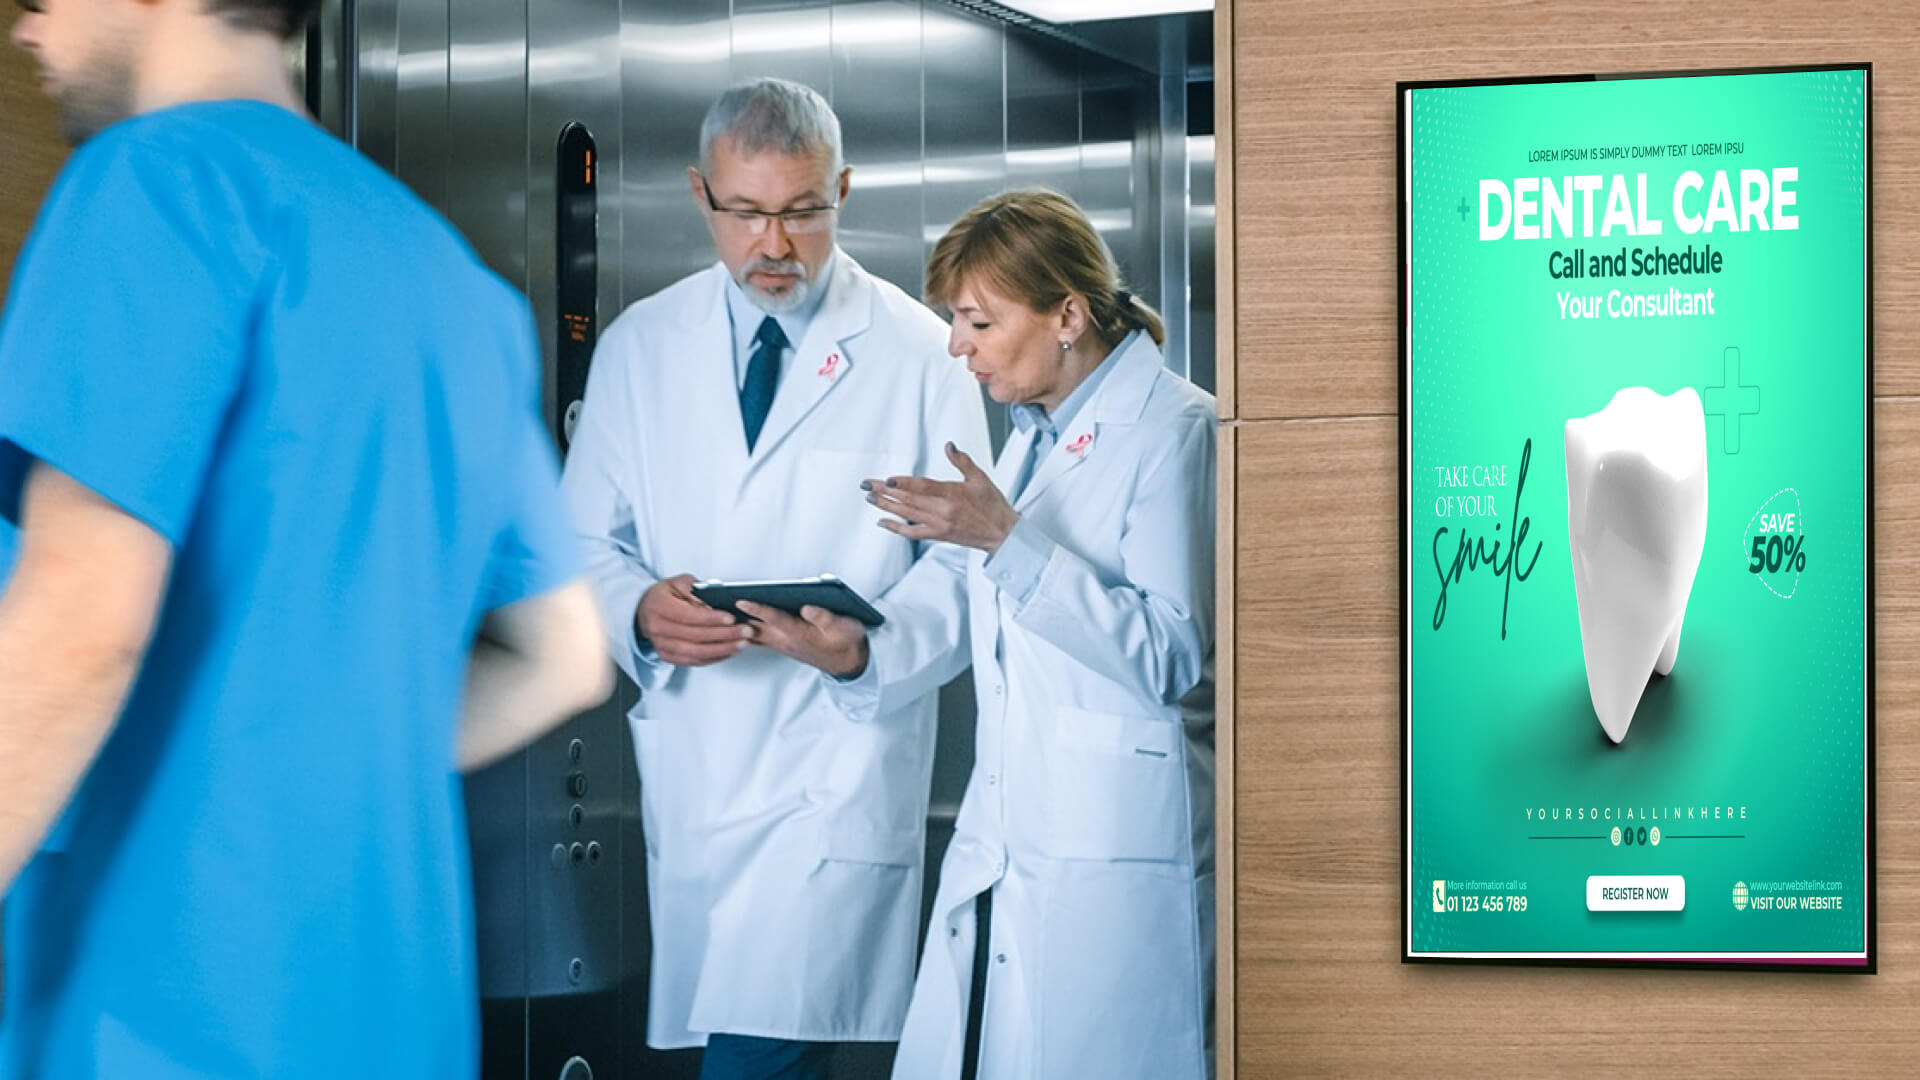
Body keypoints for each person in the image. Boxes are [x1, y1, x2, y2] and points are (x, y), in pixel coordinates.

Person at [0, 0, 612, 1075]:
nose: (28, 34)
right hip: (390, 1023)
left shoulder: (160, 181)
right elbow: (565, 659)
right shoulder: (455, 286)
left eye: (47, 0)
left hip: (157, 1025)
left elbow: (81, 625)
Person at [559, 78, 989, 1079]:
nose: (775, 246)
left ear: (842, 189)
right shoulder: (638, 348)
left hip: (834, 769)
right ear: (701, 196)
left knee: (766, 1052)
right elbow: (579, 543)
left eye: (802, 212)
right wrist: (638, 613)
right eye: (747, 214)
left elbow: (969, 565)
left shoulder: (924, 355)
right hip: (701, 765)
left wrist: (867, 654)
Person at [878, 189, 1217, 1080]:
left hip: (1116, 854)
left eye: (978, 321)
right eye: (955, 321)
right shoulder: (1030, 438)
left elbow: (1172, 654)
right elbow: (986, 605)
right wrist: (858, 649)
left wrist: (1005, 540)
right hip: (1014, 842)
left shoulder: (1177, 429)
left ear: (1066, 314)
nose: (957, 346)